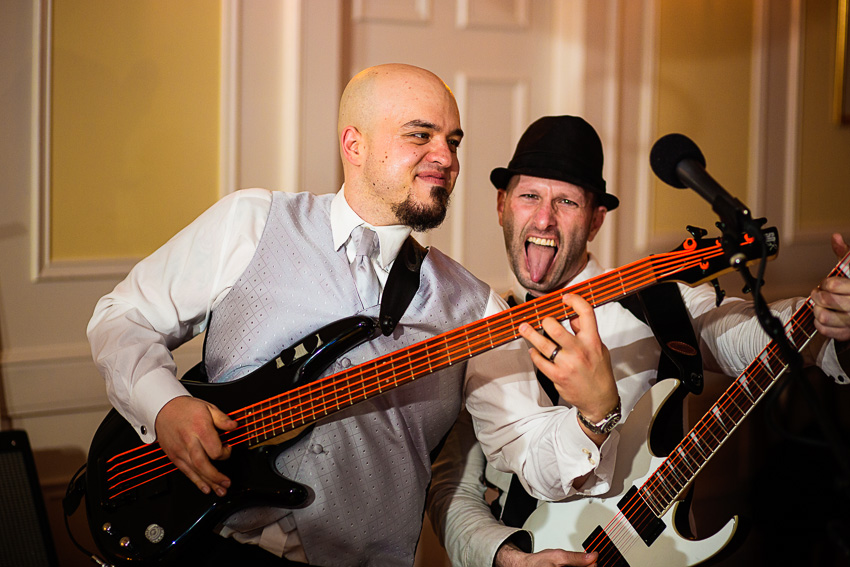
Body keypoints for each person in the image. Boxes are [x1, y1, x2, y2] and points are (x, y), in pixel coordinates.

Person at [85, 66, 611, 567]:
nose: (445, 158)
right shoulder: (252, 223)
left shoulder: (474, 308)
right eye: (420, 135)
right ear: (354, 145)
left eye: (452, 141)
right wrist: (165, 407)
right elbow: (123, 316)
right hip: (209, 546)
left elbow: (526, 449)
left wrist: (594, 415)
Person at [426, 115, 850, 567]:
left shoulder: (654, 302)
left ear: (594, 220)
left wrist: (829, 318)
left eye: (566, 201)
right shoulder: (481, 329)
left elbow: (746, 334)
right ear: (502, 206)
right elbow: (454, 485)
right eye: (530, 196)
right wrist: (508, 559)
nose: (544, 218)